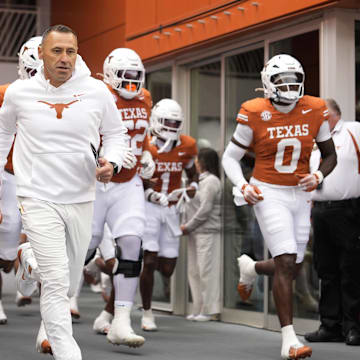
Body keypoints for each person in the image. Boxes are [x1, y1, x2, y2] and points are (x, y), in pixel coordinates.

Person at [0, 25, 134, 360]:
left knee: (71, 279)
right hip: (36, 194)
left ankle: (29, 262)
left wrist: (113, 163)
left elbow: (117, 136)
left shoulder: (97, 91)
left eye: (70, 51)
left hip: (81, 196)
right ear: (41, 53)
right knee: (58, 282)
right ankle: (66, 350)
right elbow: (2, 137)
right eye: (57, 51)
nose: (64, 58)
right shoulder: (19, 93)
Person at [222, 54, 337, 359]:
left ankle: (250, 267)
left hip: (300, 193)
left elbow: (330, 154)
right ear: (267, 84)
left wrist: (318, 174)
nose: (289, 87)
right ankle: (289, 339)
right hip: (268, 191)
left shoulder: (314, 108)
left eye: (293, 80)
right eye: (282, 81)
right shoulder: (255, 111)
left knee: (295, 265)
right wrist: (243, 185)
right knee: (286, 261)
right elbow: (229, 157)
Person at [85, 47, 155, 347]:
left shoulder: (146, 98)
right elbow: (80, 138)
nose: (131, 83)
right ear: (111, 76)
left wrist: (148, 154)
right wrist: (105, 158)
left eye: (135, 77)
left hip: (129, 184)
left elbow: (143, 135)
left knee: (132, 246)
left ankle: (121, 322)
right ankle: (54, 314)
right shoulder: (96, 96)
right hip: (97, 183)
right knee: (84, 246)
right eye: (124, 77)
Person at [304, 99, 360, 345]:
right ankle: (330, 325)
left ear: (328, 114)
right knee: (325, 269)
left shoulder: (354, 130)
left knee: (350, 269)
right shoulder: (314, 141)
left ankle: (353, 327)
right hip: (320, 210)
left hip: (347, 209)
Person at [140, 98, 198, 331]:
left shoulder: (187, 145)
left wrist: (192, 188)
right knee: (150, 260)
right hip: (149, 207)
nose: (172, 127)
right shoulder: (147, 146)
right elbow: (137, 180)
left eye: (176, 123)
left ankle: (141, 264)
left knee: (168, 268)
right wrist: (151, 194)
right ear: (155, 121)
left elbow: (193, 174)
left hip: (172, 209)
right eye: (167, 122)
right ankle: (147, 312)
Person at [0, 35, 43, 324]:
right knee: (4, 253)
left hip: (43, 178)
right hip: (9, 173)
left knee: (48, 236)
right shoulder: (6, 93)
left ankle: (29, 265)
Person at [181, 147, 222, 321]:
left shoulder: (211, 181)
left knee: (207, 271)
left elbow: (205, 209)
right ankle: (198, 307)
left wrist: (188, 226)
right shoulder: (201, 181)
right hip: (195, 232)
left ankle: (209, 309)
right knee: (194, 270)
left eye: (198, 160)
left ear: (204, 162)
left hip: (207, 232)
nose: (196, 163)